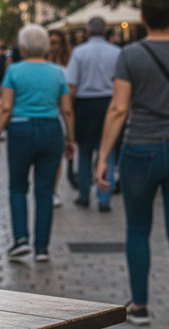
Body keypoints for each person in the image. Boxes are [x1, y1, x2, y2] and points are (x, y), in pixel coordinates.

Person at [94, 0, 169, 329]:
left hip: (140, 149)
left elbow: (118, 109)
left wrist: (103, 156)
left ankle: (142, 306)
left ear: (142, 17)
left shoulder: (129, 55)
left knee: (137, 229)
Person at [0, 24, 75, 263]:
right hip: (51, 129)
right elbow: (66, 109)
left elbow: (5, 107)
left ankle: (20, 240)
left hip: (21, 129)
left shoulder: (14, 71)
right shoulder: (58, 72)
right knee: (45, 191)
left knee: (18, 187)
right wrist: (70, 138)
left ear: (23, 48)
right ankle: (42, 248)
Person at [66, 17, 122, 212]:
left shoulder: (79, 52)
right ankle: (104, 197)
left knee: (85, 151)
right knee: (108, 151)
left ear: (88, 31)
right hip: (109, 103)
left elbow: (71, 84)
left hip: (85, 105)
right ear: (106, 31)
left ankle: (83, 195)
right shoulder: (116, 52)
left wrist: (69, 109)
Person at [47, 29, 72, 208]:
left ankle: (53, 190)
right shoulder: (42, 67)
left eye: (56, 42)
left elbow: (68, 103)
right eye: (50, 42)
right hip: (47, 116)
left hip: (59, 119)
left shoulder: (66, 68)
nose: (53, 47)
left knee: (56, 159)